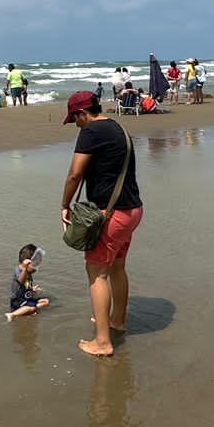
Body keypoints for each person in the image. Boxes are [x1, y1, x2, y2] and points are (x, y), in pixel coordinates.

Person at [60, 91, 143, 358]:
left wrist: (64, 204)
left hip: (112, 215)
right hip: (132, 210)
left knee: (97, 273)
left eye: (75, 118)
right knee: (117, 267)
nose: (76, 124)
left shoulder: (91, 132)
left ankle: (102, 342)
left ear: (82, 114)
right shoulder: (117, 127)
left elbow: (75, 174)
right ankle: (117, 320)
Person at [7, 244, 50, 321]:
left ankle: (26, 311)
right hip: (18, 301)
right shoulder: (19, 271)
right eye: (35, 265)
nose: (36, 268)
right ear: (27, 263)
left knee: (46, 301)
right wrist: (25, 269)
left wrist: (32, 289)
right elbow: (21, 281)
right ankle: (13, 314)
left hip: (26, 298)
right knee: (33, 308)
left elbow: (26, 285)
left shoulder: (28, 272)